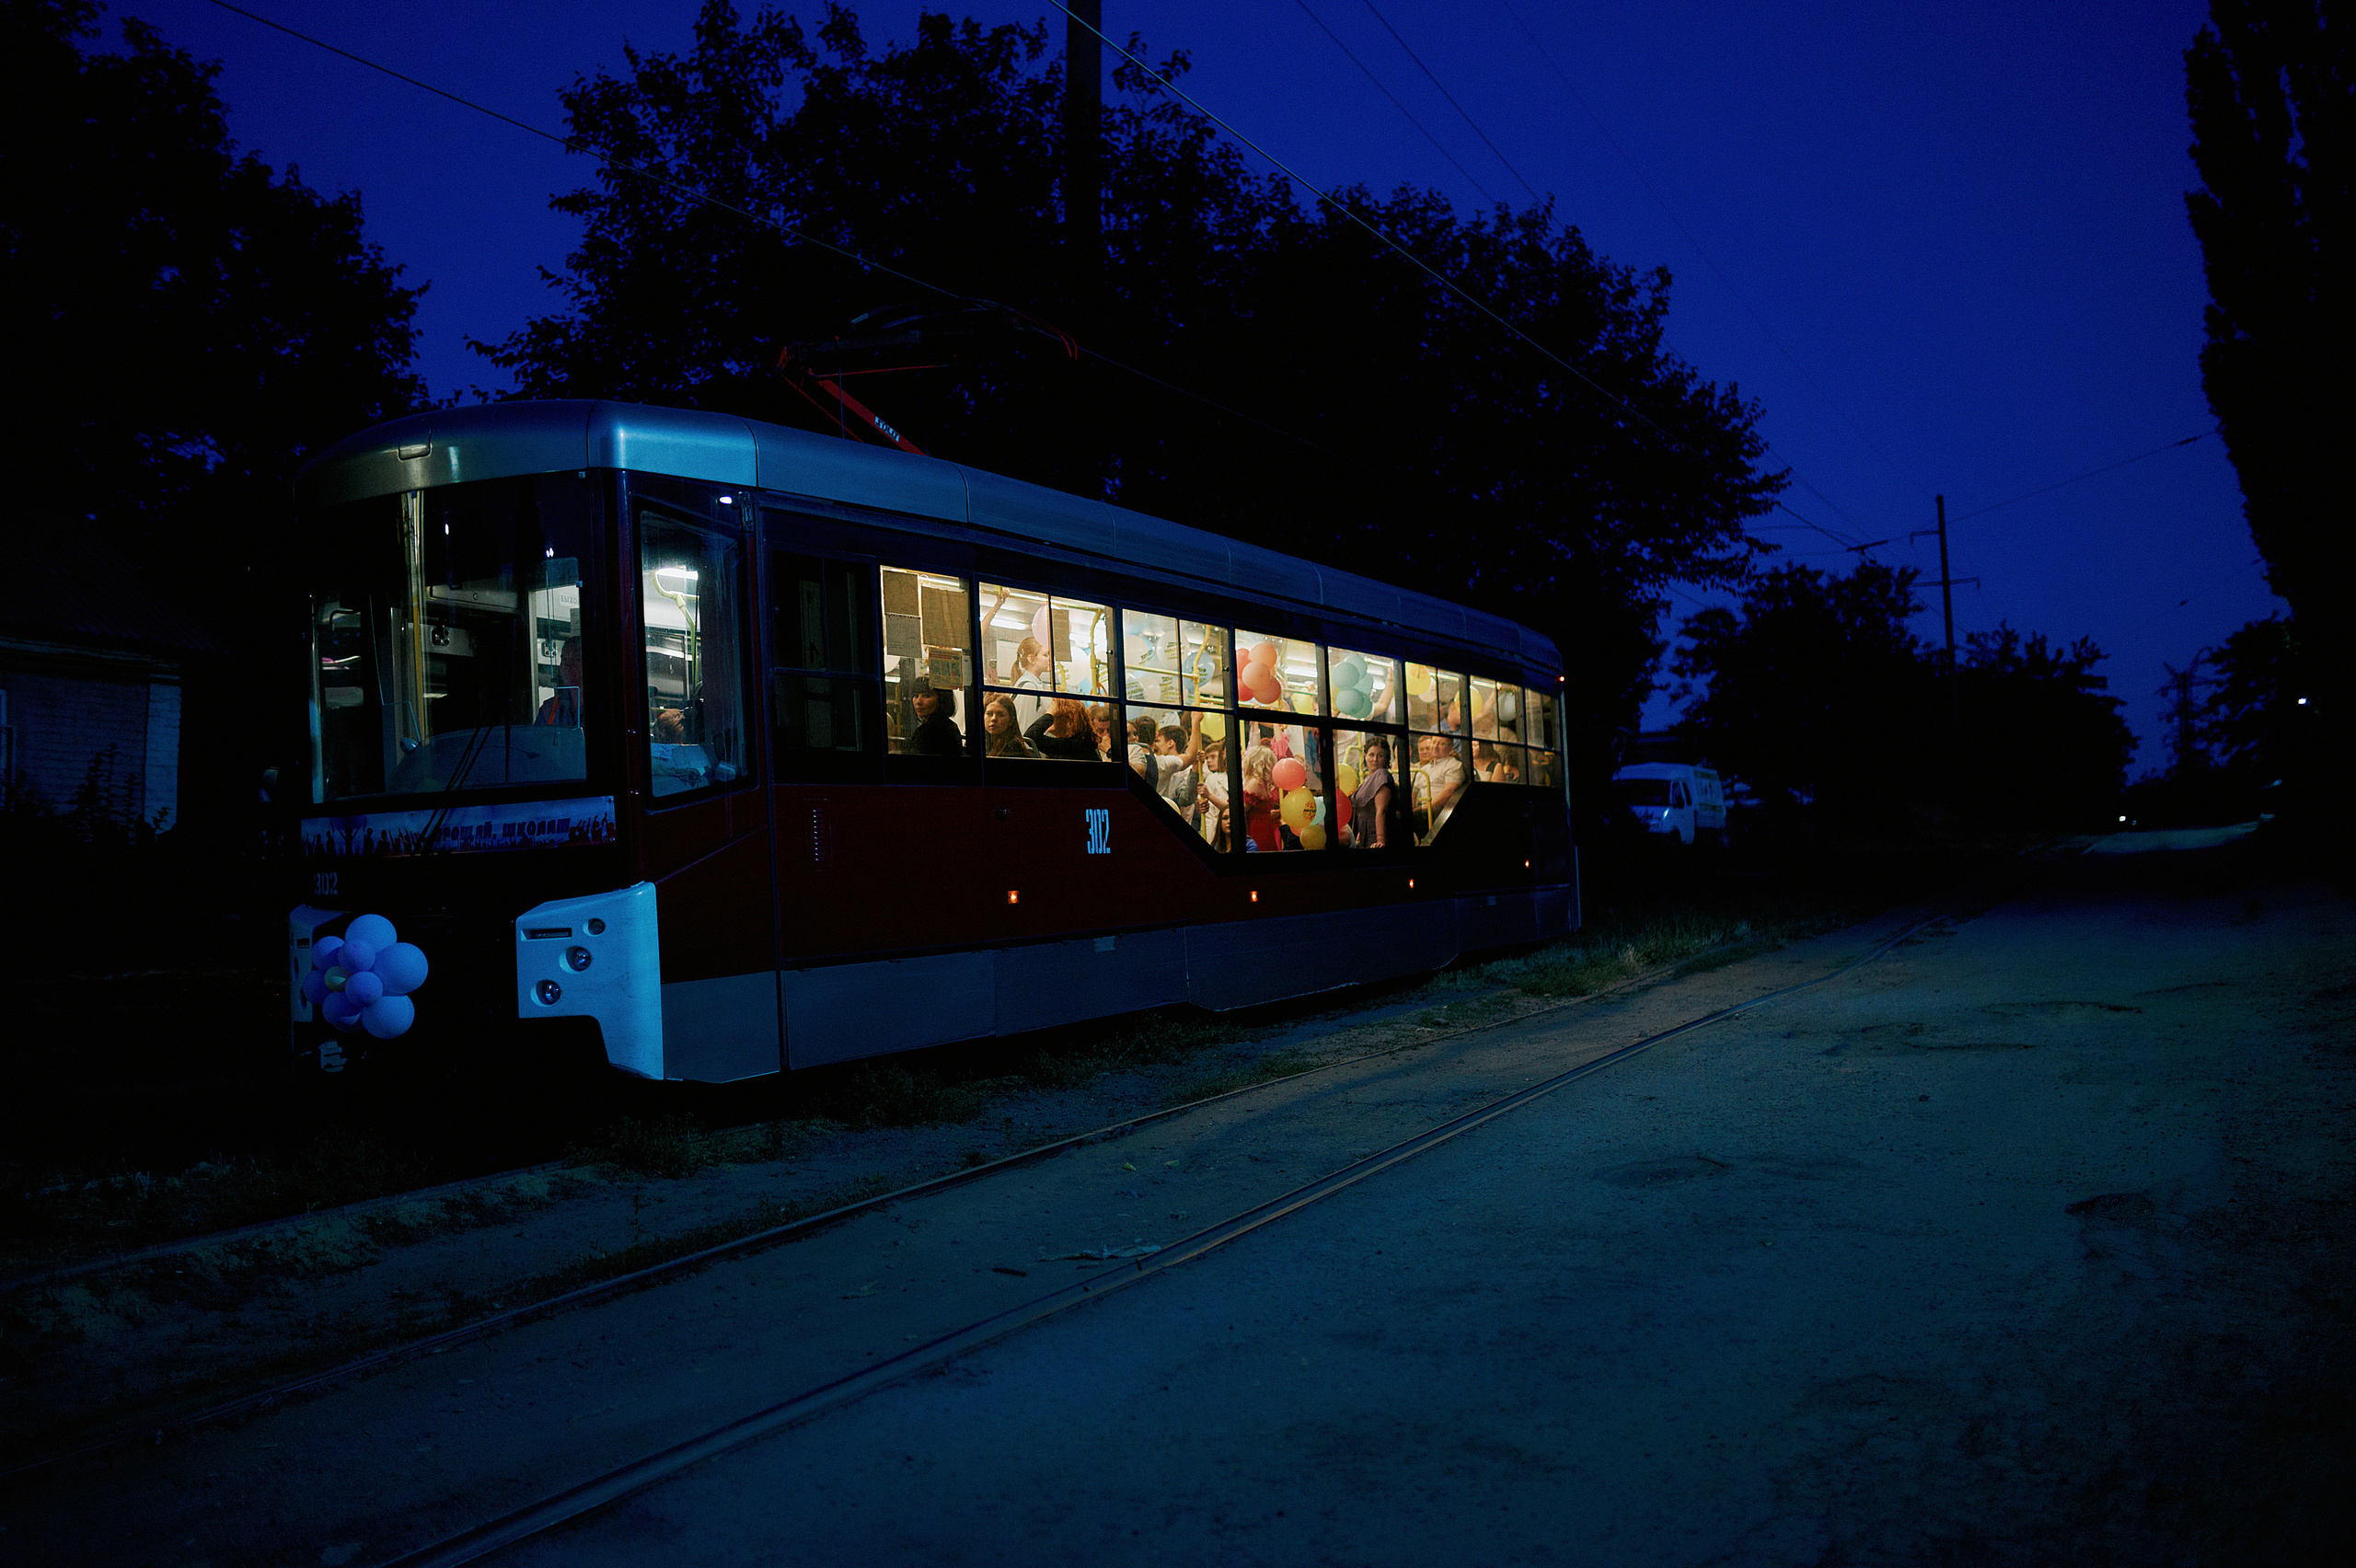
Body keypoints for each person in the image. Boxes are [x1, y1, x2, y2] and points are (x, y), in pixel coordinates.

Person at [1346, 735, 1403, 849]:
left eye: (1380, 755)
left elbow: (1381, 811)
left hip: (1377, 839)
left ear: (1386, 758)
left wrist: (1380, 839)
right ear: (1365, 756)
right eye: (1371, 755)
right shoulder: (1366, 780)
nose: (1375, 759)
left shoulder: (1382, 775)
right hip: (1364, 837)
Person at [1417, 733, 1466, 839]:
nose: (1435, 746)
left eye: (1441, 744)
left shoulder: (1453, 765)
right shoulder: (1424, 769)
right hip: (1421, 809)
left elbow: (1449, 791)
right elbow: (1414, 792)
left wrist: (1427, 807)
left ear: (1450, 748)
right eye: (1434, 742)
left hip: (1438, 812)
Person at [1026, 696, 1100, 760]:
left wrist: (1049, 715)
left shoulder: (1075, 746)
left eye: (1054, 713)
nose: (1046, 713)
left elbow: (1031, 736)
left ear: (1067, 719)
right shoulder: (1081, 744)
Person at [1240, 744, 1281, 852]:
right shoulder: (1261, 783)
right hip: (1264, 830)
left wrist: (1210, 797)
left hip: (1256, 832)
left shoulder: (1254, 783)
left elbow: (1237, 811)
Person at [536, 636, 583, 726]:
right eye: (565, 659)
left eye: (576, 659)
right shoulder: (549, 708)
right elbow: (537, 739)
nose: (568, 665)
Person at [1010, 635, 1052, 729]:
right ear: (1031, 659)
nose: (1050, 658)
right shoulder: (1029, 687)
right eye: (1046, 655)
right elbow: (1025, 727)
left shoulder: (1037, 686)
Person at [981, 693, 1040, 759]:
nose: (993, 719)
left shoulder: (1014, 746)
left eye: (1001, 715)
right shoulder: (985, 742)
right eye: (989, 714)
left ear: (1011, 720)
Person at [908, 686, 963, 756]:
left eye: (926, 696)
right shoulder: (951, 725)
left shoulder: (927, 731)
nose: (918, 702)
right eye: (916, 696)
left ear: (942, 700)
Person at [1199, 738, 1231, 850]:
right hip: (1217, 829)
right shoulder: (1212, 779)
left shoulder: (1245, 777)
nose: (1208, 761)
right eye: (1207, 758)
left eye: (1213, 757)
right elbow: (1209, 815)